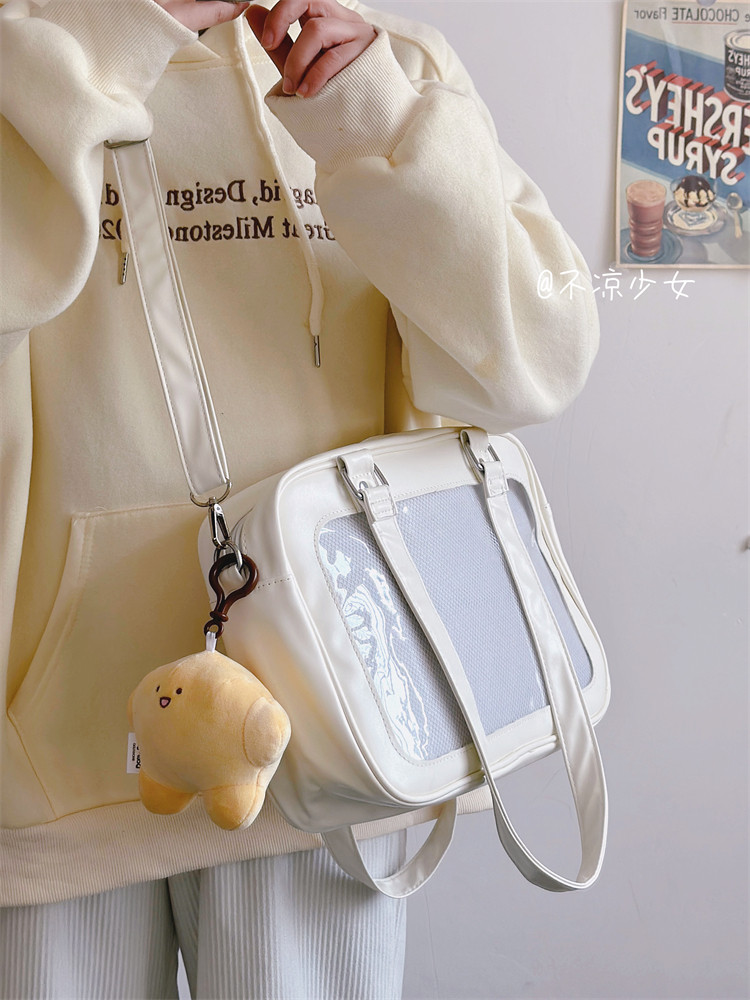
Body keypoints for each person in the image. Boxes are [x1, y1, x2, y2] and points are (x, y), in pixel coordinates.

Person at [0, 0, 600, 995]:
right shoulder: (29, 53)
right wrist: (107, 48)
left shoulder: (388, 67)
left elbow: (540, 360)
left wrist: (375, 117)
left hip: (329, 745)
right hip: (50, 760)